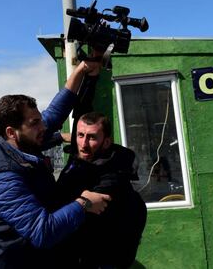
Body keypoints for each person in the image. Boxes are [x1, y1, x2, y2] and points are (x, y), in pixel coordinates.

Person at [0, 60, 111, 269]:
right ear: (11, 131)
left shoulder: (18, 141)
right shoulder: (2, 180)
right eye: (35, 123)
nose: (43, 127)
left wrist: (81, 70)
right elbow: (42, 232)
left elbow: (55, 112)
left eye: (39, 120)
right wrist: (84, 204)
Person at [56, 112, 147, 268]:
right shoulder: (81, 159)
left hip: (106, 257)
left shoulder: (114, 173)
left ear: (106, 142)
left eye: (91, 137)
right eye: (80, 135)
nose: (83, 144)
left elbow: (81, 205)